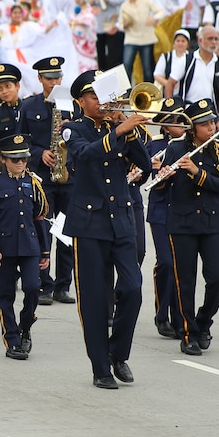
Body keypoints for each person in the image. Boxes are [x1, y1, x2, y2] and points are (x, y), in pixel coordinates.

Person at [62, 70, 149, 389]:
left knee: (133, 289)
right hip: (89, 224)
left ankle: (118, 353)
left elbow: (146, 165)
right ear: (81, 101)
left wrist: (128, 130)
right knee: (95, 299)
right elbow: (85, 155)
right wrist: (117, 132)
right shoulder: (72, 129)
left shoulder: (118, 127)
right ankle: (100, 367)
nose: (102, 102)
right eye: (95, 97)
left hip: (122, 219)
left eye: (105, 96)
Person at [154, 99, 219, 356]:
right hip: (182, 223)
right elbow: (160, 189)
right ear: (192, 127)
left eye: (211, 122)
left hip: (211, 222)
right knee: (184, 281)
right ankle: (188, 333)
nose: (211, 127)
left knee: (218, 278)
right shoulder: (175, 149)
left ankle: (203, 321)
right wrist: (163, 178)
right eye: (204, 124)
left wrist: (197, 173)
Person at [0, 134, 49, 359]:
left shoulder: (33, 182)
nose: (20, 163)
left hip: (30, 246)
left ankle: (26, 325)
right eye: (14, 159)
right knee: (5, 295)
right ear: (3, 160)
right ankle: (11, 340)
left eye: (23, 159)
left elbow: (40, 218)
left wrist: (46, 251)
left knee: (32, 288)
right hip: (5, 247)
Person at [18, 57, 75, 305]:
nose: (54, 82)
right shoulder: (28, 106)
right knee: (42, 229)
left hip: (68, 177)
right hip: (42, 178)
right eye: (49, 78)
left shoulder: (73, 106)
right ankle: (43, 283)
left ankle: (63, 285)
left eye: (57, 78)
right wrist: (40, 152)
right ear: (40, 79)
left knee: (65, 233)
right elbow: (21, 140)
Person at [143, 98, 187, 338]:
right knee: (166, 263)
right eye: (174, 121)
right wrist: (153, 168)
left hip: (184, 210)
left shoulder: (191, 144)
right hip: (161, 210)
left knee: (182, 265)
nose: (180, 124)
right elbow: (146, 176)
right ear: (165, 126)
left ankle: (181, 319)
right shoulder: (156, 145)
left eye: (182, 120)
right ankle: (162, 314)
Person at [165, 26, 219, 131]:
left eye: (216, 39)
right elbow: (170, 84)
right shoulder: (187, 60)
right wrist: (170, 112)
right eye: (210, 39)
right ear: (200, 40)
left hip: (210, 114)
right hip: (188, 112)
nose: (214, 42)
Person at [121, 0, 166, 83]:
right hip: (131, 38)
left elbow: (161, 11)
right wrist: (125, 24)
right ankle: (126, 91)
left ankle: (148, 91)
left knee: (147, 67)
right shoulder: (124, 5)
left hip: (146, 38)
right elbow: (121, 24)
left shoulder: (146, 1)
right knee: (127, 64)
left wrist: (154, 19)